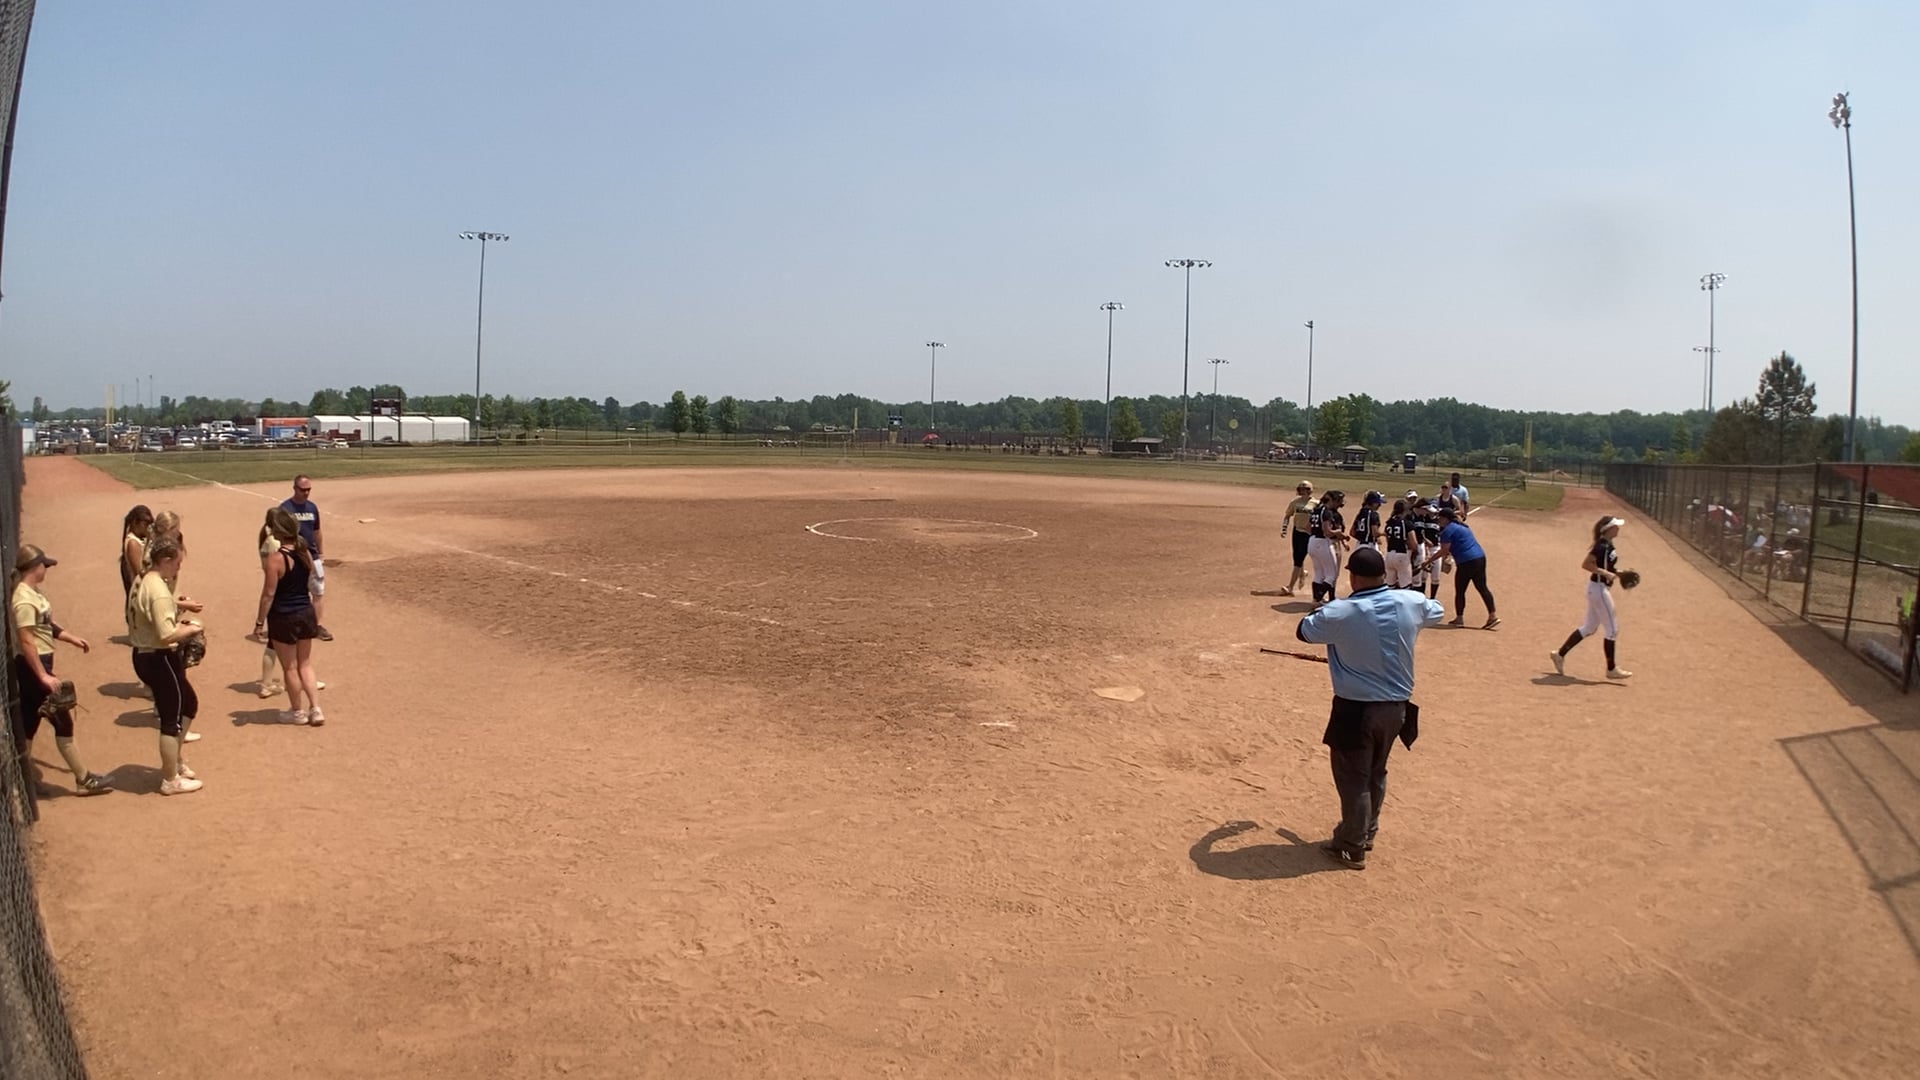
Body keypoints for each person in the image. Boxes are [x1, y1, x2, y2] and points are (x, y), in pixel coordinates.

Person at [1295, 547, 1444, 869]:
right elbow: (1437, 610)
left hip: (1356, 710)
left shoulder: (1341, 611)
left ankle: (1351, 845)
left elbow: (1304, 630)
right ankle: (1367, 832)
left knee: (1353, 777)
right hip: (1397, 709)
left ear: (1354, 577)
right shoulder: (1410, 602)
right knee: (1376, 772)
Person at [11, 545, 113, 796]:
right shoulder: (23, 600)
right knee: (62, 721)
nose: (46, 569)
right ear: (35, 567)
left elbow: (47, 625)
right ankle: (83, 780)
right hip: (33, 667)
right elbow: (26, 640)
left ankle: (20, 782)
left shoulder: (34, 593)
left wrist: (70, 638)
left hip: (39, 665)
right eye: (44, 565)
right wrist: (43, 676)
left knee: (29, 722)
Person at [126, 536, 206, 795]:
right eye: (177, 563)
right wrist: (192, 629)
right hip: (158, 657)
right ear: (165, 560)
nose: (178, 568)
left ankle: (175, 760)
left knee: (188, 703)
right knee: (171, 718)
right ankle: (170, 779)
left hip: (145, 653)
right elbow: (166, 635)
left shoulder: (143, 579)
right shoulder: (158, 590)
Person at [254, 507, 325, 727]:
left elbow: (268, 594)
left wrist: (259, 622)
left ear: (278, 531)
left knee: (290, 668)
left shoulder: (276, 559)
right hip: (305, 612)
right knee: (305, 664)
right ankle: (316, 708)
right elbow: (309, 581)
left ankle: (297, 712)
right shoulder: (305, 553)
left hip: (283, 616)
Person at [1550, 516, 1633, 679]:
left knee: (1589, 627)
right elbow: (1586, 564)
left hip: (1597, 589)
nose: (1618, 529)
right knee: (1612, 630)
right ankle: (1611, 669)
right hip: (1599, 590)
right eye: (1615, 526)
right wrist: (1605, 573)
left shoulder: (1608, 545)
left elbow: (1605, 566)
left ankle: (1559, 654)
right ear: (1608, 529)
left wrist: (1618, 573)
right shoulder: (1602, 546)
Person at [1426, 506, 1497, 629]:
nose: (1439, 520)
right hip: (1479, 558)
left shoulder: (1447, 531)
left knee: (1460, 590)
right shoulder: (1463, 527)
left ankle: (1459, 618)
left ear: (1446, 518)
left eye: (1440, 518)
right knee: (1482, 587)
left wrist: (1428, 561)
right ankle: (1492, 616)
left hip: (1466, 562)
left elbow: (1444, 550)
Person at [280, 475, 332, 640]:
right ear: (294, 488)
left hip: (313, 556)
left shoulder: (312, 507)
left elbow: (317, 531)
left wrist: (321, 553)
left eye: (309, 490)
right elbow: (279, 533)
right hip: (294, 558)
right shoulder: (285, 508)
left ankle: (316, 626)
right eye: (303, 490)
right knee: (294, 592)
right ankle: (292, 625)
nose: (306, 493)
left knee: (317, 592)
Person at [1306, 490, 1349, 607]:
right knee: (1331, 575)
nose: (1339, 503)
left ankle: (1316, 600)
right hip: (1323, 542)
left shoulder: (1316, 510)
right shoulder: (1327, 512)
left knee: (1319, 574)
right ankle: (1317, 599)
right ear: (1332, 500)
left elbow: (1307, 528)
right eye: (1338, 501)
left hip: (1312, 541)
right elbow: (1327, 532)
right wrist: (1339, 533)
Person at [1279, 481, 1315, 598]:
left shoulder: (1316, 503)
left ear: (1310, 490)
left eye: (1305, 489)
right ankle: (1302, 573)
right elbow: (1287, 516)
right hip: (1297, 532)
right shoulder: (1295, 502)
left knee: (1298, 560)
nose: (1302, 491)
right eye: (1301, 489)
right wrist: (1284, 528)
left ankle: (1290, 587)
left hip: (1308, 534)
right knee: (1297, 556)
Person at [119, 504, 154, 595]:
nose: (148, 528)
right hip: (139, 592)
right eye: (145, 524)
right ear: (135, 523)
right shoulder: (133, 543)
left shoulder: (140, 539)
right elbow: (140, 573)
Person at [1382, 499, 1415, 589]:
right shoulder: (1407, 523)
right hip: (1402, 555)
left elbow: (1388, 540)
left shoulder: (1389, 523)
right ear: (1405, 510)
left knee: (1390, 586)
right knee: (1406, 587)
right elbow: (1414, 544)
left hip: (1389, 556)